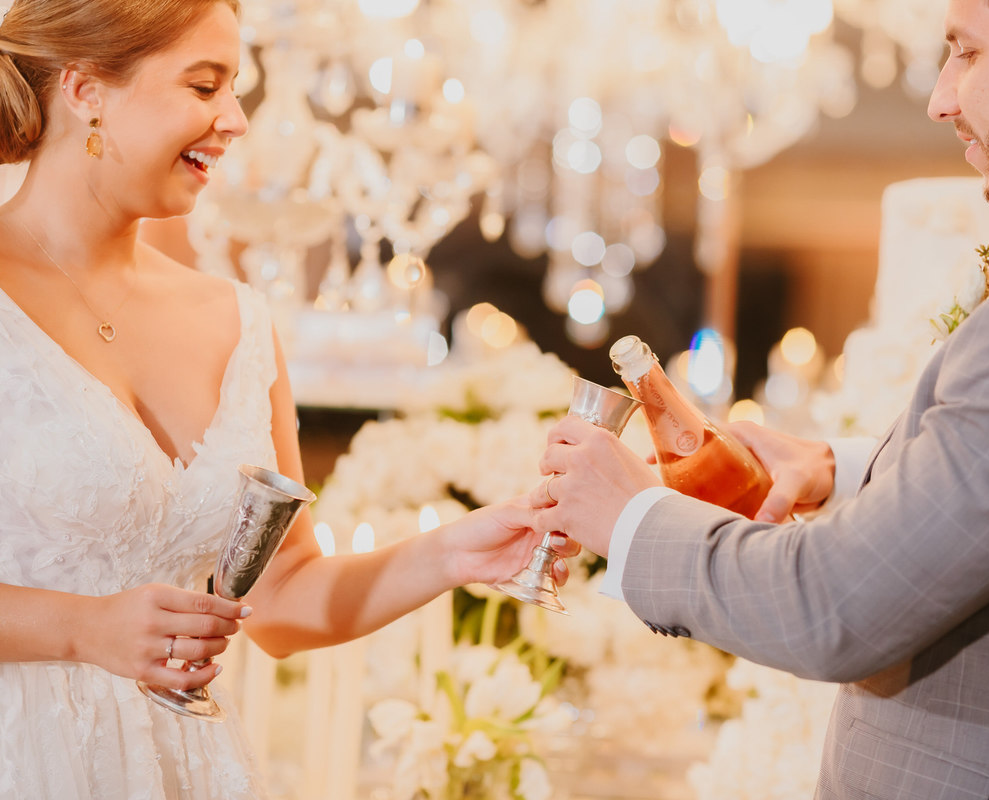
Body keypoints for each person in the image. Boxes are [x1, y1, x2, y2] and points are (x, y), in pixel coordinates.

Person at [533, 0, 989, 796]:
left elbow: (832, 606)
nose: (942, 97)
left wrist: (630, 515)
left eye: (967, 54)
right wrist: (840, 467)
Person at [0, 1, 573, 797]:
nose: (234, 121)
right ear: (86, 88)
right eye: (204, 87)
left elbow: (284, 599)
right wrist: (80, 630)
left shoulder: (235, 321)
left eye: (234, 89)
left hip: (185, 768)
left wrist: (453, 553)